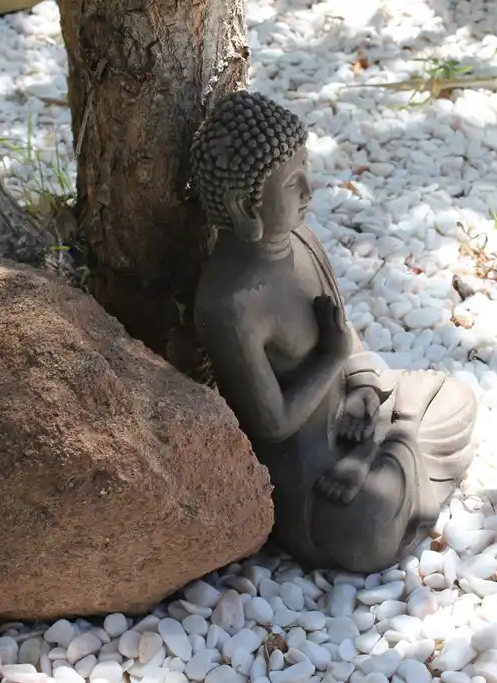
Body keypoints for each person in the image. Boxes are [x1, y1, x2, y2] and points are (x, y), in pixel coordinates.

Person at [190, 90, 478, 572]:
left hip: (357, 414)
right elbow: (273, 423)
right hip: (313, 474)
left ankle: (389, 443)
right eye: (292, 183)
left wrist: (363, 382)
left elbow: (342, 335)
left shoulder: (304, 239)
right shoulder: (230, 301)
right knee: (365, 523)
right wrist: (331, 358)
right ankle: (396, 451)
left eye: (306, 171)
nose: (309, 191)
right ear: (245, 207)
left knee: (453, 397)